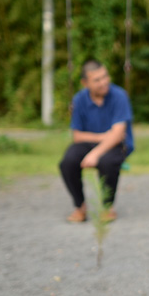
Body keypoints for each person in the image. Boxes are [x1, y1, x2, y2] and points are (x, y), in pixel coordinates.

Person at [59, 59, 134, 222]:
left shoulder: (119, 95)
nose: (104, 82)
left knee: (106, 161)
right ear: (85, 83)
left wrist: (95, 153)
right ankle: (80, 207)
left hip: (115, 145)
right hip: (90, 142)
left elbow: (118, 134)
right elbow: (77, 135)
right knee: (67, 162)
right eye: (97, 80)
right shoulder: (79, 99)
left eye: (105, 76)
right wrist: (102, 137)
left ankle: (108, 207)